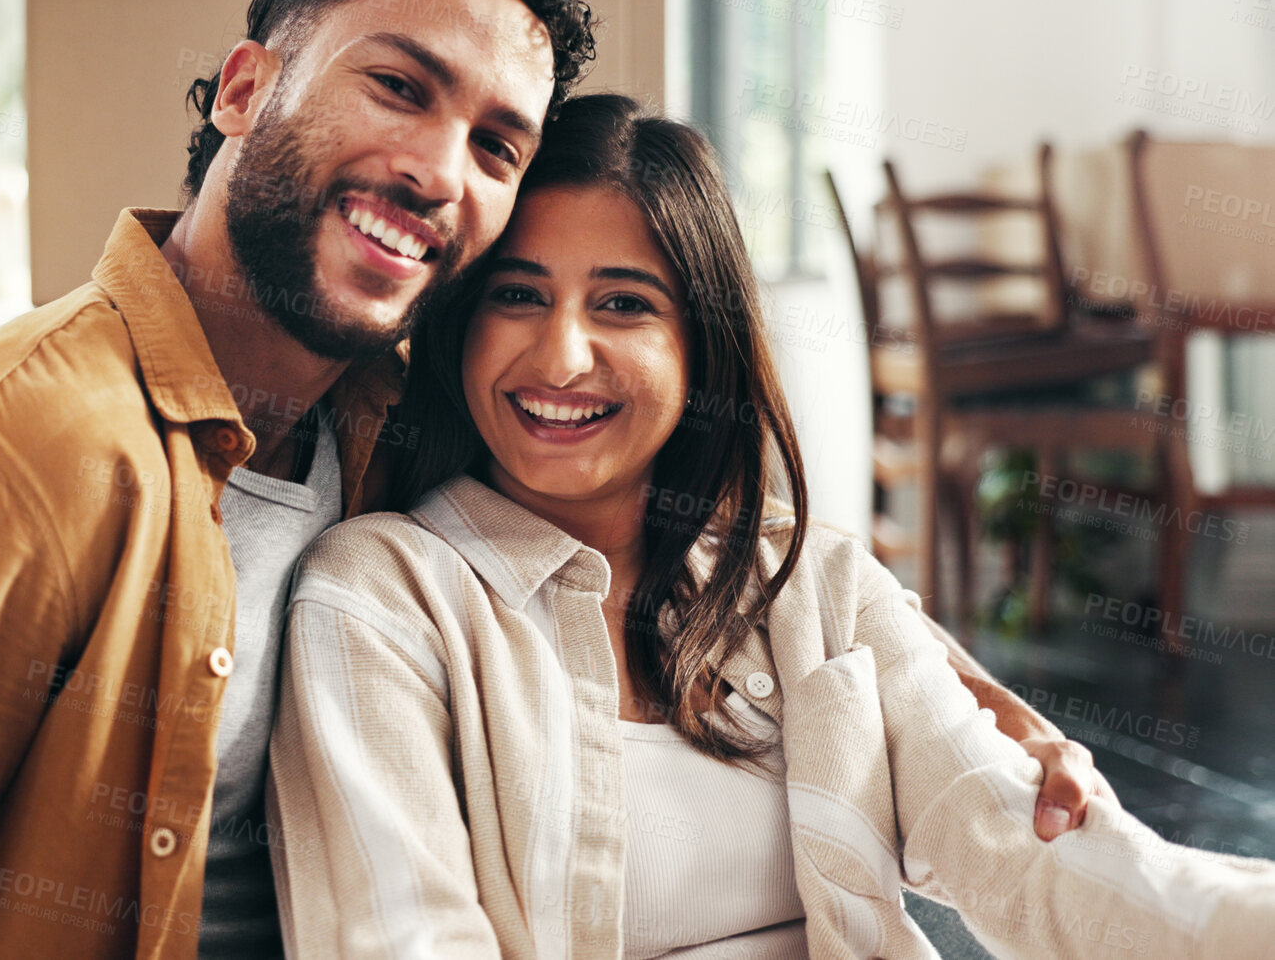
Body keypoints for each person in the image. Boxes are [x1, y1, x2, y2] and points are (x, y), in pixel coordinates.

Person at [0, 0, 1103, 957]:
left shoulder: (390, 423)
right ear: (241, 87)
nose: (436, 170)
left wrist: (965, 700)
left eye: (494, 142)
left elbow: (707, 551)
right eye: (397, 86)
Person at [267, 92, 1275, 958]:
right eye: (517, 296)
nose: (562, 355)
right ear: (459, 330)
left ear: (700, 347)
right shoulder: (380, 599)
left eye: (622, 303)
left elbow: (1055, 870)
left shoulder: (812, 582)